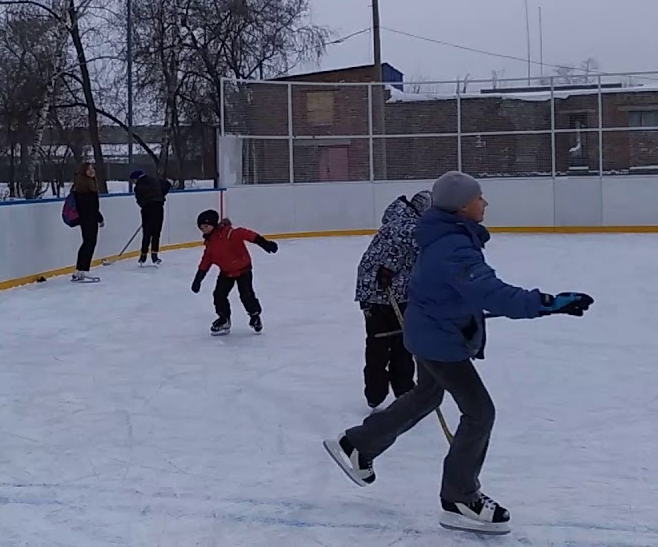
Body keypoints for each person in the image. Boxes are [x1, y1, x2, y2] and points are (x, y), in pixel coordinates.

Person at [323, 171, 594, 535]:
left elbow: (455, 294)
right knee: (480, 412)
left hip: (430, 331)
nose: (485, 203)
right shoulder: (454, 246)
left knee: (426, 395)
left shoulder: (444, 238)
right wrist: (546, 303)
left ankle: (356, 444)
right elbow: (490, 292)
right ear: (463, 205)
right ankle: (460, 497)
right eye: (480, 197)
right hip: (439, 341)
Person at [354, 190, 432, 411]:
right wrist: (388, 269)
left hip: (397, 291)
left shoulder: (405, 220)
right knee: (380, 342)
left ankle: (403, 390)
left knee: (402, 342)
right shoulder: (408, 226)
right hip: (378, 292)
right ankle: (377, 392)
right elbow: (403, 250)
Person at [190, 209, 278, 335]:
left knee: (246, 295)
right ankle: (224, 319)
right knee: (219, 295)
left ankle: (255, 316)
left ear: (214, 225)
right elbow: (206, 261)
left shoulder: (229, 234)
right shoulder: (210, 243)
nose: (203, 229)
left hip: (243, 270)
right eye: (201, 227)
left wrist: (265, 244)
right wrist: (198, 279)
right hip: (226, 272)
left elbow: (246, 234)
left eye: (206, 226)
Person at [70, 162, 104, 282]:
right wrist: (99, 218)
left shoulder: (81, 185)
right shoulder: (86, 187)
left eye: (92, 169)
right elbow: (91, 207)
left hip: (86, 219)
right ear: (83, 171)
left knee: (87, 243)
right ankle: (83, 270)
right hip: (89, 219)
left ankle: (79, 270)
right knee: (89, 243)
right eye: (89, 169)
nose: (92, 171)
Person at [129, 168, 171, 266]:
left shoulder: (139, 186)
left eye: (133, 180)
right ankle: (154, 255)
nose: (134, 183)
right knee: (156, 232)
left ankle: (143, 256)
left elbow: (139, 200)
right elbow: (167, 185)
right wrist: (160, 195)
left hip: (147, 210)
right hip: (158, 207)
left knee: (147, 233)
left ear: (136, 179)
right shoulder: (155, 180)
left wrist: (145, 205)